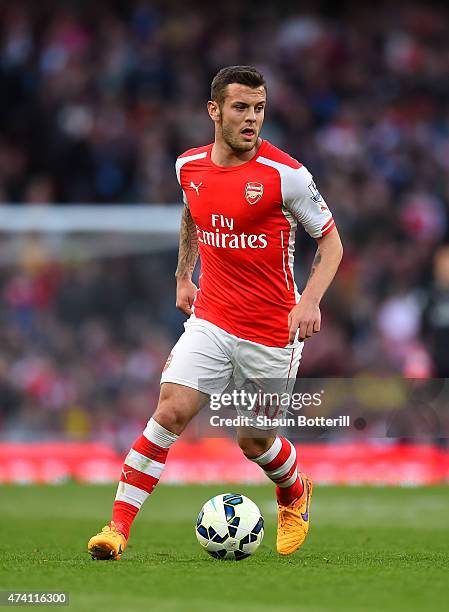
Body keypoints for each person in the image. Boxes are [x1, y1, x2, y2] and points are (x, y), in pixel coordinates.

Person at [88, 65, 343, 560]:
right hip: (211, 319)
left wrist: (309, 300)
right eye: (241, 108)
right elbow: (192, 212)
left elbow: (330, 242)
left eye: (260, 109)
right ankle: (116, 529)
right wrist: (184, 274)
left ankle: (293, 490)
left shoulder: (287, 175)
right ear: (215, 111)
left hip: (273, 332)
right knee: (170, 411)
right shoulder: (189, 167)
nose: (252, 119)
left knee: (254, 441)